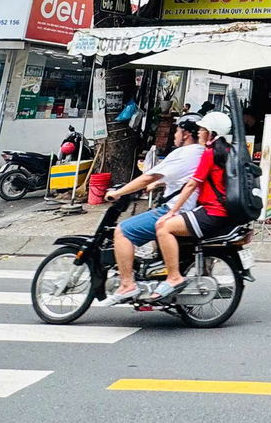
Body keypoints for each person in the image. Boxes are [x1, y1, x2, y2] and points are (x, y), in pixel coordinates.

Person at [100, 115, 206, 305]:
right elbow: (179, 177)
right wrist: (158, 183)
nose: (174, 135)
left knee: (123, 231)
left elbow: (147, 177)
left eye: (177, 131)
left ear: (186, 134)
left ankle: (127, 285)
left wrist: (118, 193)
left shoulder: (184, 153)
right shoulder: (200, 152)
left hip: (174, 210)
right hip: (189, 208)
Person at [149, 110, 235, 301]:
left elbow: (191, 184)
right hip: (220, 211)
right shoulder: (227, 151)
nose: (199, 133)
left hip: (212, 212)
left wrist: (172, 211)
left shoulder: (210, 153)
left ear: (211, 133)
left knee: (163, 227)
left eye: (202, 130)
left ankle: (174, 278)